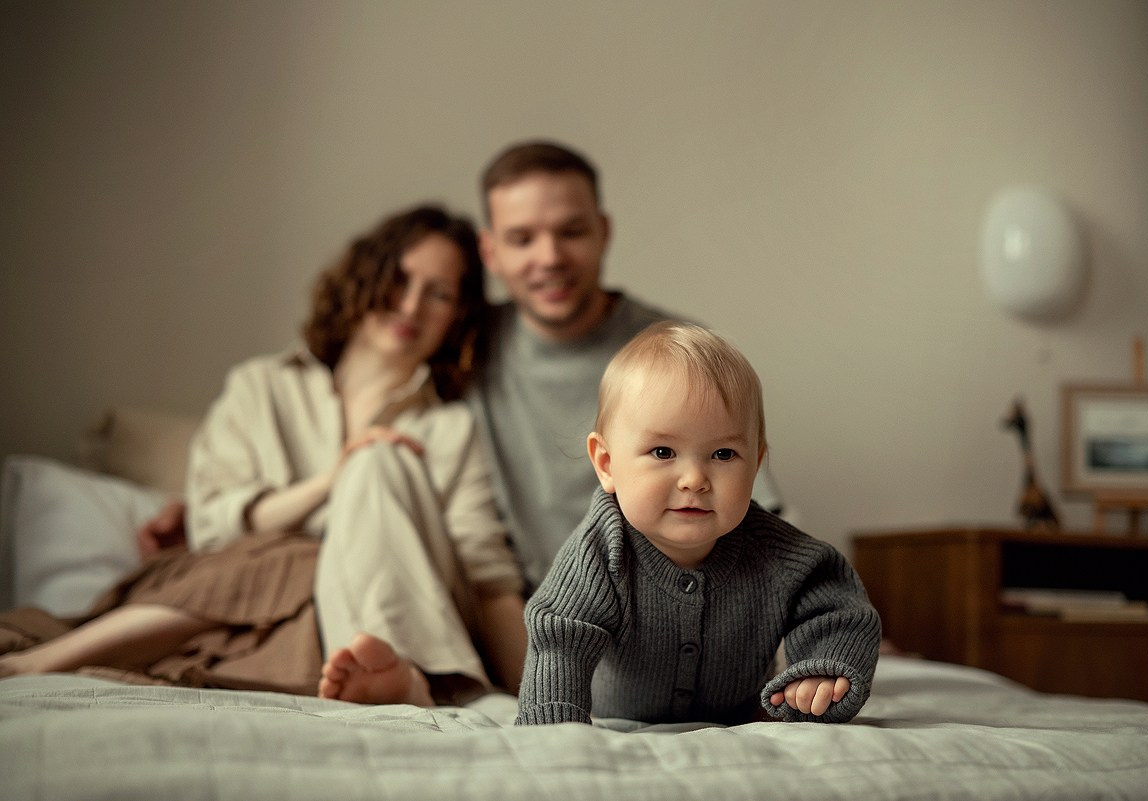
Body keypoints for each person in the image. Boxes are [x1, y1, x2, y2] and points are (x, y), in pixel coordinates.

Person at [0, 205, 528, 705]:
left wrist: (541, 694)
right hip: (254, 623)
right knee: (303, 551)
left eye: (438, 294)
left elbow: (486, 575)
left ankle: (400, 665)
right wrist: (330, 483)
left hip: (389, 622)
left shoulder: (451, 427)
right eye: (399, 278)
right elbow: (215, 527)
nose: (410, 306)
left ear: (457, 316)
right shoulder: (260, 387)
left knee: (379, 463)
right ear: (365, 276)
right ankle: (384, 673)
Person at [515, 322, 881, 726]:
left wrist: (824, 669)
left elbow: (840, 610)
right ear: (606, 464)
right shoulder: (603, 548)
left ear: (755, 464)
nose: (694, 479)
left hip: (741, 718)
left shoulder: (780, 554)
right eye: (662, 451)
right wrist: (554, 725)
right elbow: (560, 637)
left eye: (723, 454)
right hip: (620, 718)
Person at [469, 140, 791, 590]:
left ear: (604, 231)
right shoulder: (465, 348)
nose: (550, 257)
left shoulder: (677, 351)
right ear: (490, 252)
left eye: (572, 232)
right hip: (521, 612)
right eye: (522, 239)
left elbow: (759, 513)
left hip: (666, 607)